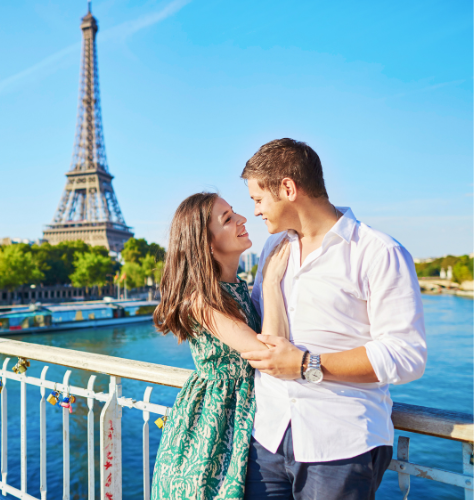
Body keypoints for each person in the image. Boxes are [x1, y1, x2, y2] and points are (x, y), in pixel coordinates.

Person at [239, 138, 427, 500]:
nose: (256, 211)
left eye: (258, 199)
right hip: (268, 435)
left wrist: (308, 364)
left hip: (339, 446)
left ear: (288, 188)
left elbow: (407, 356)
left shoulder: (379, 252)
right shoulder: (272, 249)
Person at [151, 192, 291, 500]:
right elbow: (268, 354)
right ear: (207, 244)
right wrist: (270, 283)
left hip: (238, 415)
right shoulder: (200, 301)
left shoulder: (235, 289)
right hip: (214, 425)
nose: (242, 219)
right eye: (227, 219)